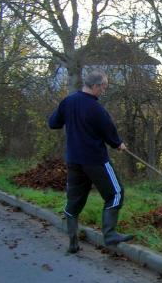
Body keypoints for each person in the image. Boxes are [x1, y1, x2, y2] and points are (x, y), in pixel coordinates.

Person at [48, 69, 134, 254]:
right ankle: (110, 234)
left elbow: (53, 123)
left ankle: (73, 242)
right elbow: (111, 135)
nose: (104, 90)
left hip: (74, 160)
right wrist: (119, 144)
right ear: (95, 86)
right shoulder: (97, 109)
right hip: (95, 160)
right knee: (115, 193)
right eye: (103, 87)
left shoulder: (68, 101)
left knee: (74, 202)